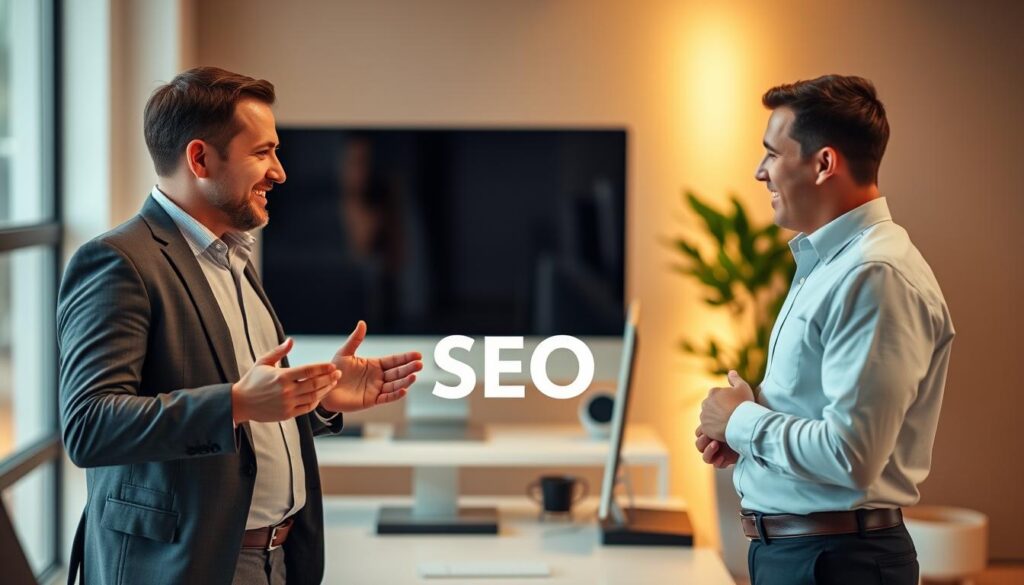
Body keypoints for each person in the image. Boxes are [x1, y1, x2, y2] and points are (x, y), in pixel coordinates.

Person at [58, 67, 423, 585]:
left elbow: (250, 410)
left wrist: (317, 400)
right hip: (185, 567)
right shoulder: (119, 262)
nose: (279, 172)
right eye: (262, 152)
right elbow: (89, 425)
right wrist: (234, 403)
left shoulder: (234, 259)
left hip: (276, 559)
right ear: (200, 159)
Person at [694, 75, 954, 585]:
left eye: (773, 153)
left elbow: (850, 455)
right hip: (808, 556)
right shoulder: (831, 266)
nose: (760, 171)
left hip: (835, 563)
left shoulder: (874, 274)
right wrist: (747, 437)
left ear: (823, 163)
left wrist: (742, 420)